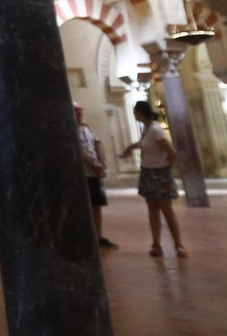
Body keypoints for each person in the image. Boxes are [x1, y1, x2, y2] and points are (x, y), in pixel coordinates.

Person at [120, 101, 187, 258]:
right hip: (148, 172)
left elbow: (172, 152)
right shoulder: (147, 129)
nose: (134, 115)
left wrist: (164, 167)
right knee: (152, 210)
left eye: (135, 112)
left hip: (159, 174)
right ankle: (156, 244)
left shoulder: (156, 130)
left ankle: (179, 245)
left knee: (166, 210)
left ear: (141, 112)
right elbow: (143, 143)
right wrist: (130, 148)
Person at [75, 103, 118, 250]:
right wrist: (95, 165)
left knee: (97, 205)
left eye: (80, 110)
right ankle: (86, 236)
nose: (79, 113)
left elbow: (98, 144)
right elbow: (80, 151)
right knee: (84, 206)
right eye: (76, 110)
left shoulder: (87, 128)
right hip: (83, 173)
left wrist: (101, 163)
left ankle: (98, 236)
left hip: (94, 172)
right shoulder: (70, 129)